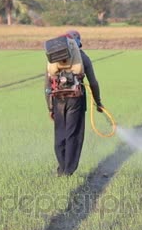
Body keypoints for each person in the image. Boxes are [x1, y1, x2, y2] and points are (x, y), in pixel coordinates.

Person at [44, 30, 104, 177]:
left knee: (60, 134)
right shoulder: (83, 58)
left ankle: (61, 168)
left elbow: (47, 86)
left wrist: (50, 107)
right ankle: (68, 170)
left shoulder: (54, 59)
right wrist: (98, 102)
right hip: (75, 99)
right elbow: (93, 83)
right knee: (73, 134)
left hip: (58, 99)